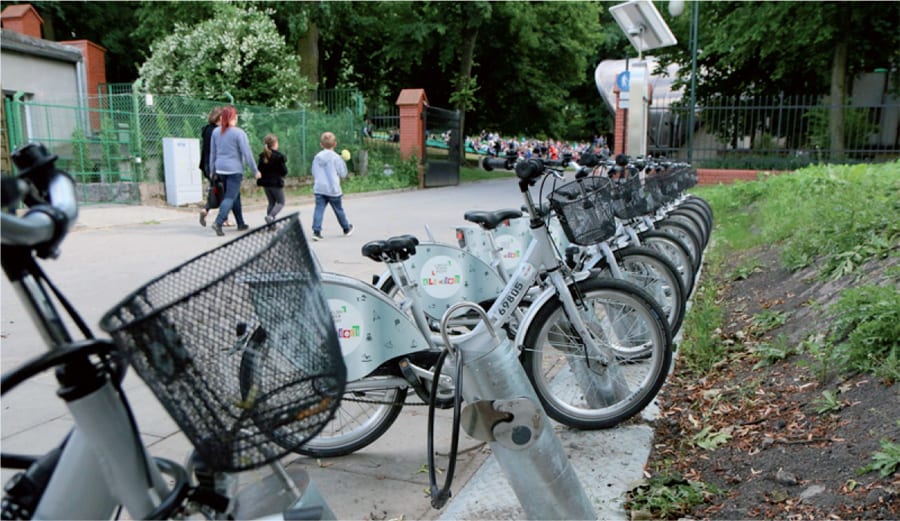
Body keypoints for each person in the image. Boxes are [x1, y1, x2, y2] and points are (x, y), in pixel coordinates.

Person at [208, 105, 260, 237]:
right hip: (234, 171)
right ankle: (218, 222)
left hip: (220, 169)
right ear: (234, 117)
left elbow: (212, 153)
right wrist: (255, 170)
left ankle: (240, 223)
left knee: (235, 195)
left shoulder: (216, 132)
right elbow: (247, 153)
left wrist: (212, 170)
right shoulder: (239, 133)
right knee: (230, 197)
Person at [310, 131, 352, 241]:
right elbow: (343, 174)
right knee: (338, 209)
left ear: (321, 144)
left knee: (319, 209)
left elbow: (314, 172)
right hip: (333, 189)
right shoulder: (337, 158)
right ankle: (346, 228)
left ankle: (316, 231)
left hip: (320, 188)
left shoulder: (317, 157)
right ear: (335, 144)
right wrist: (343, 161)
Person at [198, 106, 224, 228]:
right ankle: (223, 219)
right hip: (215, 164)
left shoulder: (206, 129)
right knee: (223, 191)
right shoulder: (218, 131)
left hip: (206, 164)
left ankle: (206, 209)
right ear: (220, 117)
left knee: (215, 189)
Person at [256, 133, 287, 224]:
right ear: (275, 143)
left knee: (271, 203)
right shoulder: (279, 156)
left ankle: (271, 225)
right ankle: (271, 216)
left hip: (266, 184)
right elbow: (284, 171)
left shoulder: (263, 156)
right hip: (275, 183)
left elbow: (259, 169)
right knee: (281, 202)